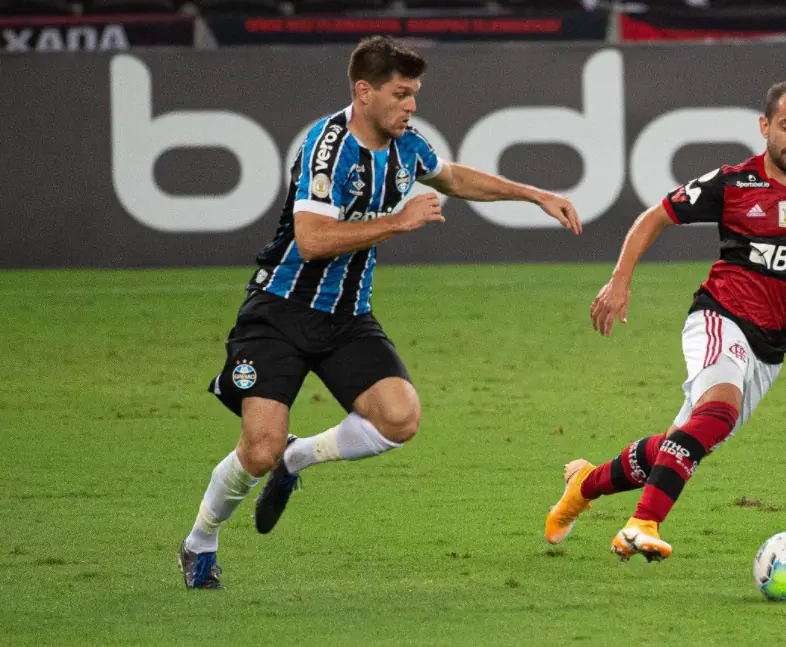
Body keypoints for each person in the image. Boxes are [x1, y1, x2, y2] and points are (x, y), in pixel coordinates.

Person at [179, 35, 582, 589]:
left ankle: (298, 460)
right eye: (401, 94)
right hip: (278, 313)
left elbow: (454, 177)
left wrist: (534, 193)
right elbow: (312, 239)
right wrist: (399, 221)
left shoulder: (405, 146)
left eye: (414, 94)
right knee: (258, 449)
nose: (411, 105)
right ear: (364, 92)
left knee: (399, 418)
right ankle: (200, 542)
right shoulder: (328, 147)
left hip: (346, 318)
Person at [543, 80, 786, 562]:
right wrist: (620, 279)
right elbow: (654, 217)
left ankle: (585, 484)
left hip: (772, 349)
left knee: (682, 445)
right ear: (765, 126)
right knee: (719, 410)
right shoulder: (732, 183)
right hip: (720, 317)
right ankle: (642, 524)